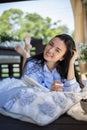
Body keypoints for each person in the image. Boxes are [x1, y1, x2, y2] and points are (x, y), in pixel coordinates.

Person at [15, 33, 84, 92]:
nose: (50, 50)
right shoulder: (33, 64)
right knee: (28, 61)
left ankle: (27, 52)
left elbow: (73, 91)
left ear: (62, 57)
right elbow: (30, 89)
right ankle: (26, 54)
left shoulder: (64, 70)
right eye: (51, 44)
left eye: (57, 50)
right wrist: (50, 90)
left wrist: (71, 62)